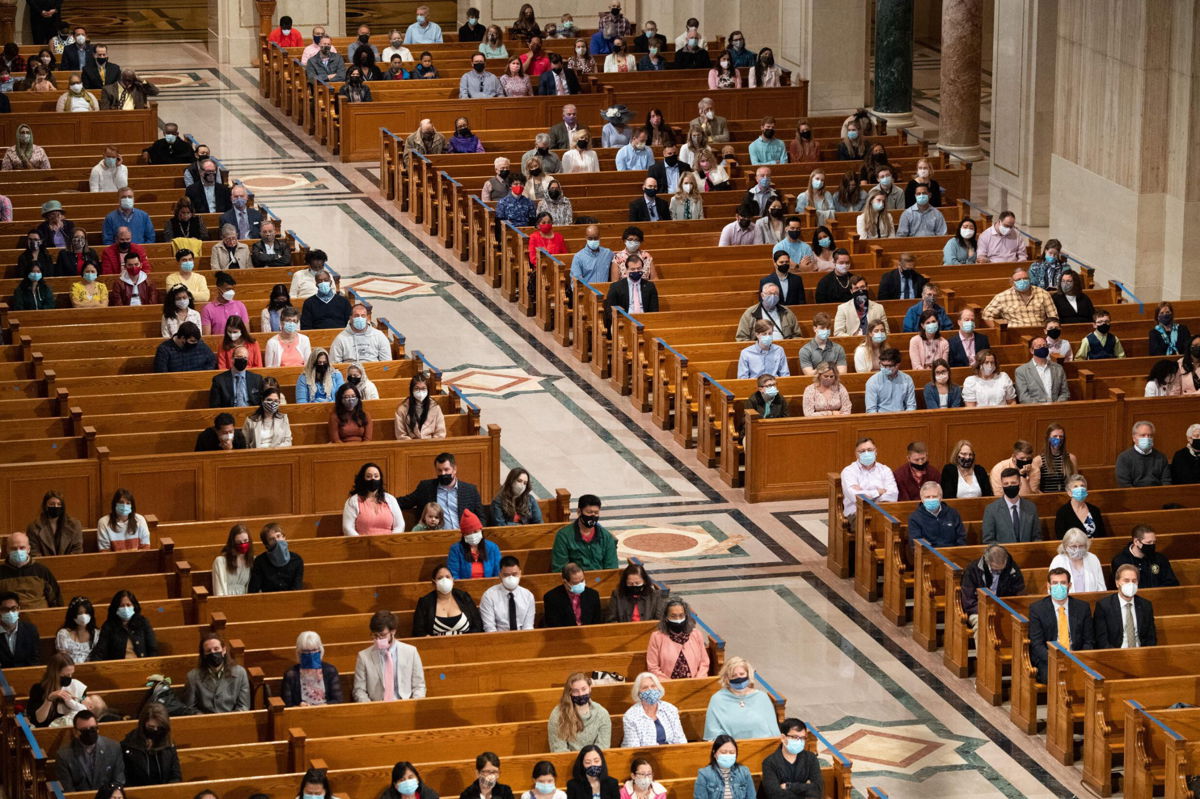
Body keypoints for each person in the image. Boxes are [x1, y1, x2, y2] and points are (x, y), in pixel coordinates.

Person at [352, 609, 427, 702]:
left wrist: (413, 706)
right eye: (375, 635)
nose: (378, 639)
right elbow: (359, 690)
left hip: (404, 703)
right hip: (377, 706)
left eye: (382, 635)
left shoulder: (410, 652)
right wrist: (371, 708)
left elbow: (419, 686)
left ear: (393, 632)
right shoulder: (363, 657)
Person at [398, 452, 485, 524]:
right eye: (439, 470)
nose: (443, 473)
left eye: (446, 470)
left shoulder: (470, 490)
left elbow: (481, 518)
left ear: (454, 470)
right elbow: (406, 501)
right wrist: (387, 499)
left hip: (463, 538)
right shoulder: (426, 488)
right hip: (436, 538)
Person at [55, 710, 125, 792]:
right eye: (84, 730)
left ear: (98, 729)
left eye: (92, 729)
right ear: (75, 732)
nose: (89, 733)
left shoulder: (113, 748)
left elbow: (118, 780)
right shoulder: (64, 755)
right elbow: (67, 789)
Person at [1093, 564, 1157, 649]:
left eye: (1134, 581)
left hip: (1141, 654)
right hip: (1115, 654)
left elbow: (1151, 638)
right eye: (1126, 581)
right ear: (1117, 583)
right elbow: (1102, 641)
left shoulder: (1145, 605)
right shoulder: (1104, 606)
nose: (1131, 584)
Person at [185, 632, 250, 714]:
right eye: (208, 651)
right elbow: (190, 708)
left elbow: (243, 706)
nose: (213, 653)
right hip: (205, 723)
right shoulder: (192, 677)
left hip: (233, 722)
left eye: (216, 649)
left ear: (223, 650)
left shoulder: (240, 673)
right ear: (204, 655)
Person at [412, 564, 483, 637]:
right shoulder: (425, 602)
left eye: (447, 577)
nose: (444, 580)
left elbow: (477, 624)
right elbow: (418, 630)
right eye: (440, 578)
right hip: (436, 646)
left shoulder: (464, 597)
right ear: (434, 582)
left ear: (453, 580)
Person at [119, 703, 181, 786]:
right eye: (151, 727)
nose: (155, 730)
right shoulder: (128, 745)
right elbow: (125, 779)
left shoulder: (168, 745)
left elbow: (175, 776)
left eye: (160, 728)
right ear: (143, 724)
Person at [551, 494, 618, 571]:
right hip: (575, 581)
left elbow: (612, 568)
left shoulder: (606, 537)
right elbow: (559, 568)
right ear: (579, 512)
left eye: (596, 513)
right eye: (589, 512)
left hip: (599, 580)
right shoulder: (564, 536)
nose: (593, 516)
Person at [646, 598, 708, 679]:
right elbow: (653, 667)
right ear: (666, 617)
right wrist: (671, 685)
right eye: (673, 616)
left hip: (695, 683)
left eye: (681, 615)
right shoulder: (656, 637)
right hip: (668, 685)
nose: (678, 619)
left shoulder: (696, 634)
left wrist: (697, 680)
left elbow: (704, 662)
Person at [840, 437, 898, 519]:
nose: (866, 453)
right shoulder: (849, 471)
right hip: (856, 514)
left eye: (870, 450)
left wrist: (863, 492)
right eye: (862, 451)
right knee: (873, 523)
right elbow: (855, 496)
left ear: (876, 451)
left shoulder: (885, 470)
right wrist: (878, 492)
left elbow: (892, 494)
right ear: (856, 454)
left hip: (882, 512)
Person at [281, 630, 343, 706]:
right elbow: (286, 704)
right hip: (301, 714)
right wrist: (298, 706)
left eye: (314, 650)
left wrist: (326, 705)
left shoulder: (330, 671)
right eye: (306, 651)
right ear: (299, 652)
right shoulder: (291, 674)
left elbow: (338, 700)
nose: (310, 654)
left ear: (320, 650)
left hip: (327, 713)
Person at [622, 672, 685, 746]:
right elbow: (633, 747)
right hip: (644, 755)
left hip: (670, 752)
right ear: (638, 693)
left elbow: (680, 739)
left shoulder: (670, 709)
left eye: (653, 686)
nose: (650, 690)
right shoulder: (631, 716)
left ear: (658, 688)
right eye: (645, 688)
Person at [90, 590, 156, 660]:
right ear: (116, 608)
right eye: (122, 606)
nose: (125, 608)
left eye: (128, 605)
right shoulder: (108, 626)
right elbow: (100, 651)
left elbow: (153, 649)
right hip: (118, 668)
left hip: (142, 665)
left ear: (134, 606)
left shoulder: (143, 622)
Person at [982, 469, 1042, 544]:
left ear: (1020, 484)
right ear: (1002, 485)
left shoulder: (1031, 507)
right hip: (1002, 554)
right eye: (1006, 484)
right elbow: (988, 540)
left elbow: (1037, 537)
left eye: (1013, 483)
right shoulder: (991, 510)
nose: (1009, 486)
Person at [983, 266, 1056, 327]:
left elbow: (1053, 317)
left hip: (1040, 334)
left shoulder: (1043, 294)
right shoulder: (1002, 297)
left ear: (1029, 279)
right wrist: (1000, 331)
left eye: (1025, 278)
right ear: (1012, 282)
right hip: (1014, 335)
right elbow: (986, 315)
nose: (1023, 281)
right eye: (1018, 279)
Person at [26, 652, 85, 727]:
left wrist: (77, 700)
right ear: (54, 673)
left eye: (71, 674)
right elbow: (39, 720)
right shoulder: (38, 689)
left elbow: (84, 704)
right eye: (66, 675)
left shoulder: (77, 686)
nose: (70, 677)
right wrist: (49, 699)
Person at [1112, 525, 1179, 589]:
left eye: (1154, 542)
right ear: (1136, 541)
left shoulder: (1160, 559)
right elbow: (1117, 586)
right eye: (1149, 543)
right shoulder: (1120, 561)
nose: (1152, 545)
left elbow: (1171, 582)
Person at [603, 255, 658, 333]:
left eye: (639, 268)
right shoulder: (616, 287)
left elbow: (654, 311)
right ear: (626, 270)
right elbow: (609, 310)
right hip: (624, 322)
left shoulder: (650, 286)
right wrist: (622, 321)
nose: (636, 271)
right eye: (632, 269)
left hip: (645, 322)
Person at [907, 481, 966, 553]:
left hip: (953, 554)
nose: (931, 499)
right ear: (922, 499)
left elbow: (961, 538)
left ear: (941, 498)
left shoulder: (953, 513)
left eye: (934, 496)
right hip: (929, 556)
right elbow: (916, 543)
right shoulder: (915, 518)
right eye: (927, 497)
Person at [480, 555, 535, 632]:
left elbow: (528, 626)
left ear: (520, 573)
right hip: (498, 637)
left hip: (522, 637)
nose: (511, 578)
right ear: (500, 575)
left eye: (514, 574)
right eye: (506, 575)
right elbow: (489, 627)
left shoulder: (528, 595)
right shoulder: (489, 595)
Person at [541, 563, 601, 628]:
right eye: (575, 583)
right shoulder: (551, 598)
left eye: (582, 581)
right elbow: (553, 625)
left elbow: (597, 622)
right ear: (565, 582)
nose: (580, 585)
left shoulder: (593, 595)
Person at [248, 523, 304, 592]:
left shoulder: (296, 560)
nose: (277, 541)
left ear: (284, 537)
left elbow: (297, 589)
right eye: (272, 539)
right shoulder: (260, 561)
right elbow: (253, 590)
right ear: (267, 545)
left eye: (278, 536)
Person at [1048, 528, 1106, 593]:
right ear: (1065, 546)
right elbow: (1052, 589)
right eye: (1073, 546)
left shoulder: (1092, 558)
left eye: (1081, 546)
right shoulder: (1058, 561)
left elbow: (1101, 587)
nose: (1077, 549)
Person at [1014, 336, 1070, 403]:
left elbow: (1065, 393)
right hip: (1035, 410)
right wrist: (1042, 409)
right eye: (1039, 346)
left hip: (1056, 409)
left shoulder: (1058, 368)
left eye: (1045, 346)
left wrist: (1056, 406)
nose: (1043, 348)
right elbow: (1023, 397)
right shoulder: (1022, 371)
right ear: (1032, 350)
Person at [1115, 420, 1172, 487]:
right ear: (1134, 438)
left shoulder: (1161, 457)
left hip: (1157, 494)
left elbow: (1166, 481)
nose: (1147, 438)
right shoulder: (1124, 458)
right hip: (1134, 495)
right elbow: (1124, 484)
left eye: (1150, 435)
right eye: (1143, 435)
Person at [865, 348, 916, 413]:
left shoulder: (907, 380)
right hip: (880, 419)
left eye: (889, 366)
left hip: (902, 417)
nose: (885, 368)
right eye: (882, 365)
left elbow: (911, 406)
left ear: (897, 365)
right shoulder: (872, 381)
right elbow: (871, 410)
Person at [208, 524, 253, 597]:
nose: (243, 544)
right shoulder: (220, 562)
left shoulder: (251, 561)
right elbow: (219, 592)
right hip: (226, 600)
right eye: (239, 542)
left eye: (245, 541)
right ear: (233, 543)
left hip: (245, 601)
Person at [55, 595, 97, 663]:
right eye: (80, 613)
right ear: (73, 615)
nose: (83, 616)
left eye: (86, 613)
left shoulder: (96, 634)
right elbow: (63, 660)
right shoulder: (63, 634)